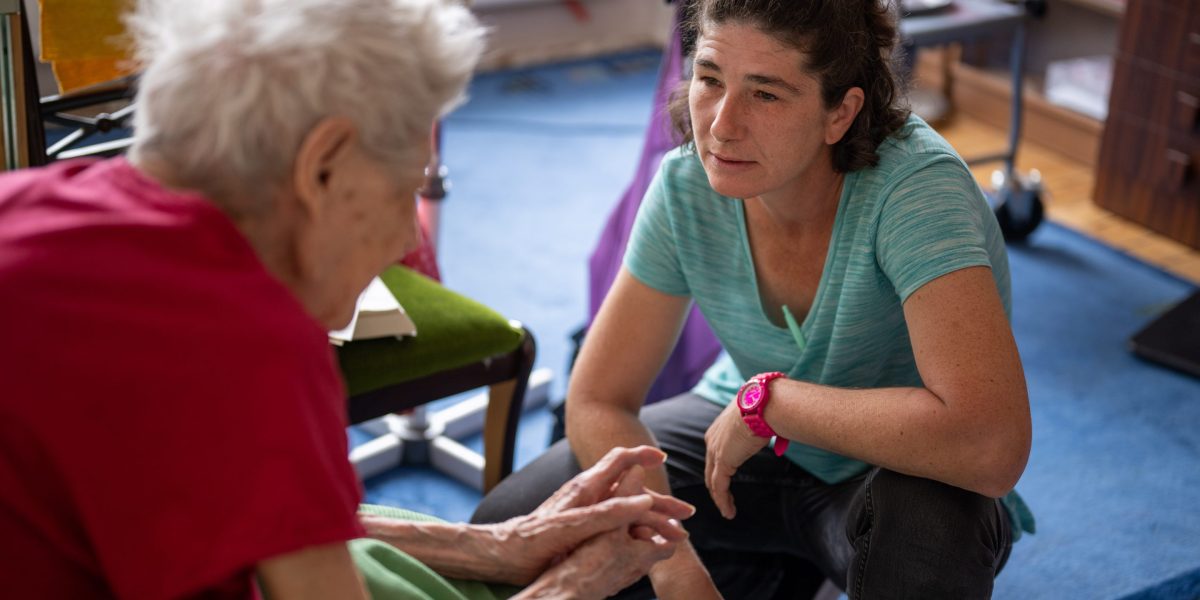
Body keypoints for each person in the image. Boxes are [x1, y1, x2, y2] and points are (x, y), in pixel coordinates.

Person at [0, 0, 692, 598]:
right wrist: (571, 588)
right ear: (323, 164)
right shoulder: (252, 341)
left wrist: (492, 545)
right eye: (404, 189)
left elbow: (253, 512)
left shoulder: (27, 203)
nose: (405, 238)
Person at [472, 0, 1037, 598]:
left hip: (883, 471)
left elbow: (989, 445)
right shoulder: (687, 185)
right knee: (513, 526)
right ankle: (771, 574)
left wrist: (771, 404)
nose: (721, 125)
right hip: (741, 448)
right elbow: (598, 400)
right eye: (710, 79)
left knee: (930, 530)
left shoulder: (917, 192)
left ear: (840, 113)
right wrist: (672, 563)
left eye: (765, 94)